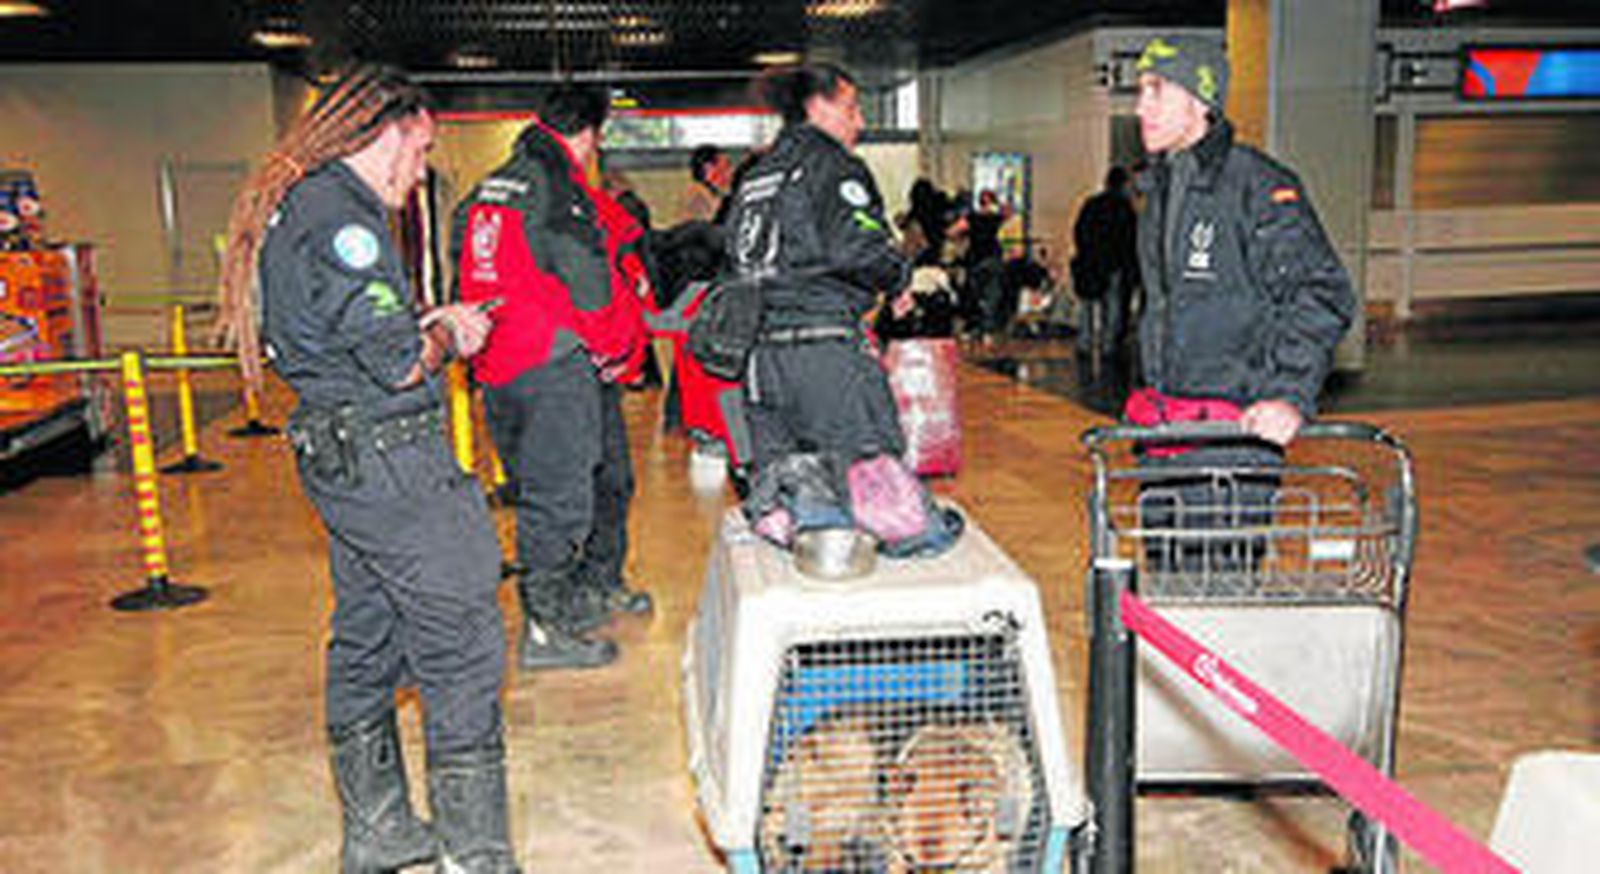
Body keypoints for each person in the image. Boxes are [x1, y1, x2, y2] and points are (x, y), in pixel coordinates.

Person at [215, 65, 521, 873]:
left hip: (349, 461)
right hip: (393, 464)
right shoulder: (340, 218)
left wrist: (423, 323)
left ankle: (380, 830)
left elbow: (348, 342)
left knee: (369, 638)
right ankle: (475, 857)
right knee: (460, 645)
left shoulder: (303, 204)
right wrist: (450, 332)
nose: (419, 173)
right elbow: (394, 363)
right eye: (417, 151)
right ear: (382, 131)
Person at [1127, 35, 1355, 577]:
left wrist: (1287, 394)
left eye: (1157, 90)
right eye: (1140, 91)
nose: (1141, 107)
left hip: (1232, 438)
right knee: (1169, 597)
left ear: (1201, 100)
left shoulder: (1257, 186)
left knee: (1219, 598)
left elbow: (1321, 291)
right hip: (1167, 432)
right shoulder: (1161, 188)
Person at [449, 85, 653, 673]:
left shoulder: (490, 185)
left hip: (501, 366)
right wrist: (618, 351)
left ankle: (592, 587)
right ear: (589, 134)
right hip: (554, 361)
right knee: (558, 500)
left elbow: (457, 259)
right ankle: (544, 628)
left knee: (604, 475)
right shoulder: (557, 184)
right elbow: (589, 283)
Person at [724, 63, 960, 557]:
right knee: (888, 507)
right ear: (818, 107)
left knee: (797, 497)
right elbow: (857, 246)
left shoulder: (755, 176)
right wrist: (898, 277)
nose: (859, 123)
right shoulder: (834, 166)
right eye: (851, 109)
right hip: (825, 354)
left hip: (760, 364)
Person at [1071, 166, 1138, 360]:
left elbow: (1079, 232)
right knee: (1113, 308)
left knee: (1087, 307)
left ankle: (1084, 343)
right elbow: (1129, 240)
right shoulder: (1124, 208)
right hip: (1113, 265)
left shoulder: (1091, 204)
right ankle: (1109, 346)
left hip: (1090, 262)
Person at [680, 143, 733, 224]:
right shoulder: (698, 195)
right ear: (708, 169)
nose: (731, 172)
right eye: (726, 168)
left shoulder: (712, 193)